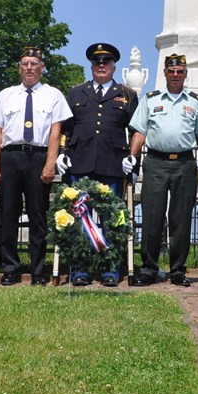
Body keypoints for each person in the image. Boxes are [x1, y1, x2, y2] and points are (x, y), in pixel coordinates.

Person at [57, 42, 139, 286]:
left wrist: (134, 162)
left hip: (112, 164)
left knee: (112, 218)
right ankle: (79, 269)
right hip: (79, 163)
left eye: (106, 62)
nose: (101, 66)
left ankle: (110, 268)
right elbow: (65, 129)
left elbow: (137, 130)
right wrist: (62, 153)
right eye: (96, 62)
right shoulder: (76, 93)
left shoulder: (127, 94)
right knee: (79, 217)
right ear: (91, 66)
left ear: (114, 66)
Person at [0, 46, 71, 286]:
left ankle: (37, 271)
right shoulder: (5, 95)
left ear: (42, 68)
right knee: (8, 215)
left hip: (38, 158)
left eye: (34, 64)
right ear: (19, 68)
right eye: (25, 64)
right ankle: (10, 269)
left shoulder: (53, 95)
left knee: (37, 217)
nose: (29, 68)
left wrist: (50, 163)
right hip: (11, 157)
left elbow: (56, 131)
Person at [128, 52, 198, 287]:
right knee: (152, 215)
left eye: (179, 71)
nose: (175, 75)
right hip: (156, 162)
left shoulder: (195, 102)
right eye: (171, 71)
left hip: (184, 162)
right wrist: (132, 157)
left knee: (181, 217)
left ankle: (178, 270)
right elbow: (140, 131)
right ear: (164, 74)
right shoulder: (151, 99)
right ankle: (149, 269)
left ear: (185, 74)